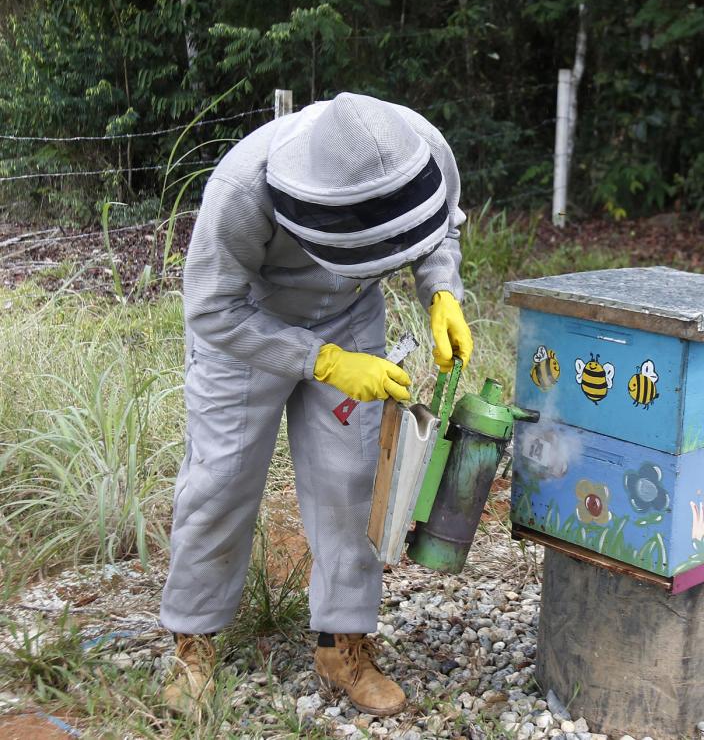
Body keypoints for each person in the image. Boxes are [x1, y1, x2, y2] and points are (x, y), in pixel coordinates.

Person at [159, 92, 473, 716]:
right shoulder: (241, 189)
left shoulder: (423, 148)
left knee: (352, 478)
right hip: (246, 327)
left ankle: (342, 643)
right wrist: (322, 361)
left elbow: (440, 228)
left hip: (350, 315)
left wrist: (442, 292)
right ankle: (192, 643)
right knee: (220, 479)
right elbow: (212, 307)